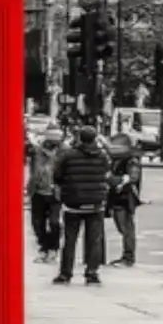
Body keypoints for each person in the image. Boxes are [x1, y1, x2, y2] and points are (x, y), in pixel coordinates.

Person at [51, 119, 112, 285]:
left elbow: (57, 175)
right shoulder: (102, 156)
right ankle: (92, 272)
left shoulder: (68, 155)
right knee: (94, 240)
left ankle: (66, 273)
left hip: (73, 203)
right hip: (95, 203)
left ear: (79, 138)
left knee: (70, 239)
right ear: (95, 138)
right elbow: (107, 173)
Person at [105, 119, 143, 267]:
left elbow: (133, 178)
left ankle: (128, 257)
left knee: (126, 228)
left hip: (125, 197)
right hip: (117, 196)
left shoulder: (131, 161)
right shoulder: (118, 160)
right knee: (123, 227)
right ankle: (127, 256)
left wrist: (112, 179)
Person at [25, 122, 64, 260]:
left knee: (54, 222)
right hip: (38, 191)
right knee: (38, 223)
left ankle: (53, 248)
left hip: (56, 193)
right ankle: (44, 246)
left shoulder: (64, 151)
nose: (54, 142)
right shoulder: (36, 150)